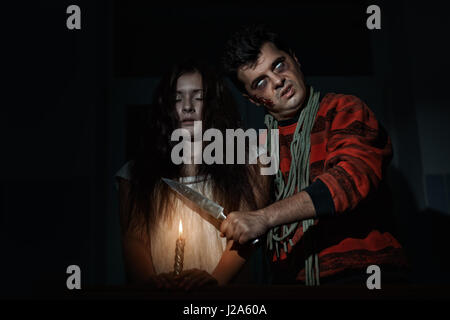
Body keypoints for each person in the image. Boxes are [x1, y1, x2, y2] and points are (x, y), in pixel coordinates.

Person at [220, 25, 409, 286]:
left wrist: (265, 217)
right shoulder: (260, 149)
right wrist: (211, 283)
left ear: (295, 59)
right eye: (260, 82)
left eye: (278, 65)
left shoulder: (344, 109)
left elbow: (350, 180)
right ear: (252, 99)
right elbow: (247, 224)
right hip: (293, 282)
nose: (277, 81)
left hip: (362, 275)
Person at [115, 59, 269, 290]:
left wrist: (214, 283)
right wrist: (152, 284)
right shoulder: (135, 173)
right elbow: (134, 238)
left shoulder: (249, 161)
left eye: (197, 97)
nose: (187, 106)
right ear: (166, 106)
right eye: (177, 98)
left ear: (214, 104)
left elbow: (247, 232)